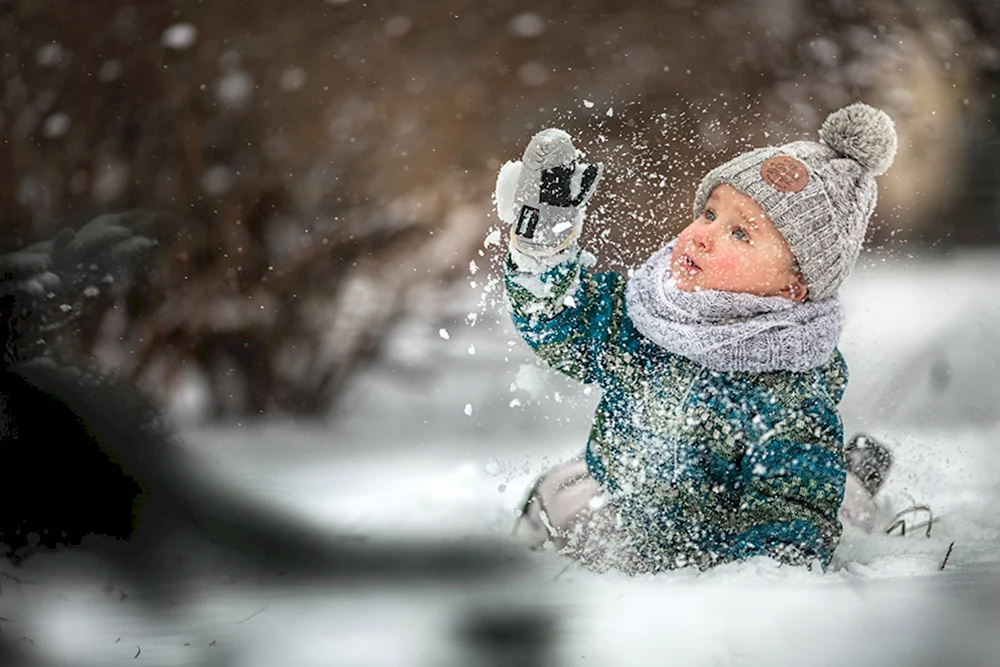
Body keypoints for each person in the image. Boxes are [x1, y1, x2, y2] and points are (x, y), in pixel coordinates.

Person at [498, 103, 897, 573]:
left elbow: (790, 515)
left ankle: (855, 473)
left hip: (732, 532)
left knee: (834, 505)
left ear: (793, 287)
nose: (702, 236)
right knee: (560, 498)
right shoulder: (648, 315)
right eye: (709, 213)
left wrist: (752, 578)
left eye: (740, 234)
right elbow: (563, 320)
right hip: (627, 500)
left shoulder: (790, 391)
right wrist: (541, 250)